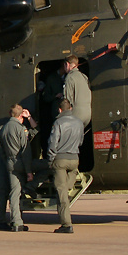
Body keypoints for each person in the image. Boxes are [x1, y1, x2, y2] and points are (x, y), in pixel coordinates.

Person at [0, 104, 38, 232]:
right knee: (10, 193)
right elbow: (25, 149)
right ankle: (14, 221)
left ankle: (1, 221)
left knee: (4, 194)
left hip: (6, 162)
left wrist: (29, 118)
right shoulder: (19, 129)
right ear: (20, 116)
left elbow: (35, 130)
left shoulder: (3, 129)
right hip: (8, 164)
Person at [47, 99, 82, 233]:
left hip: (61, 159)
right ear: (70, 108)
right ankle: (67, 193)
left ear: (60, 110)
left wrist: (50, 160)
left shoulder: (58, 123)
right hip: (74, 159)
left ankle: (66, 224)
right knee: (66, 187)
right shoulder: (79, 122)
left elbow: (53, 143)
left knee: (61, 193)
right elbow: (80, 141)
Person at [62, 55, 91, 128]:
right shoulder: (84, 76)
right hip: (87, 115)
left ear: (67, 64)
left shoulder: (70, 77)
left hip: (76, 115)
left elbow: (67, 101)